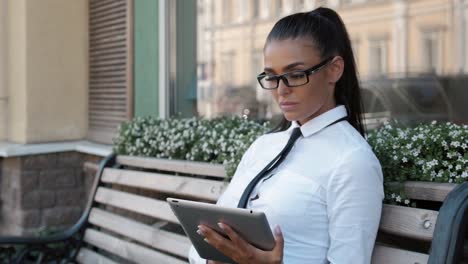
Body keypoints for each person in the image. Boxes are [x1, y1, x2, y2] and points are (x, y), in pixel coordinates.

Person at [189, 7, 384, 264]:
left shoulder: (352, 162)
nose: (281, 90)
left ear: (335, 69)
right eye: (272, 77)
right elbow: (200, 243)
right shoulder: (264, 146)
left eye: (295, 74)